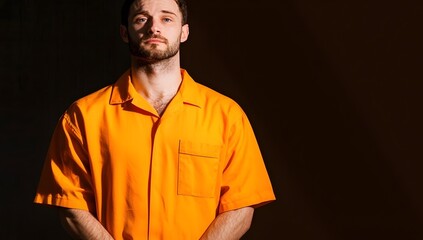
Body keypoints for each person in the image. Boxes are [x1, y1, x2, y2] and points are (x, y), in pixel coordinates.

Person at [33, 0, 276, 239]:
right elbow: (70, 204)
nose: (154, 27)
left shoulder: (227, 115)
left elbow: (241, 206)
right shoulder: (83, 116)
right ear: (124, 32)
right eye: (141, 19)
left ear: (184, 32)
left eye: (166, 18)